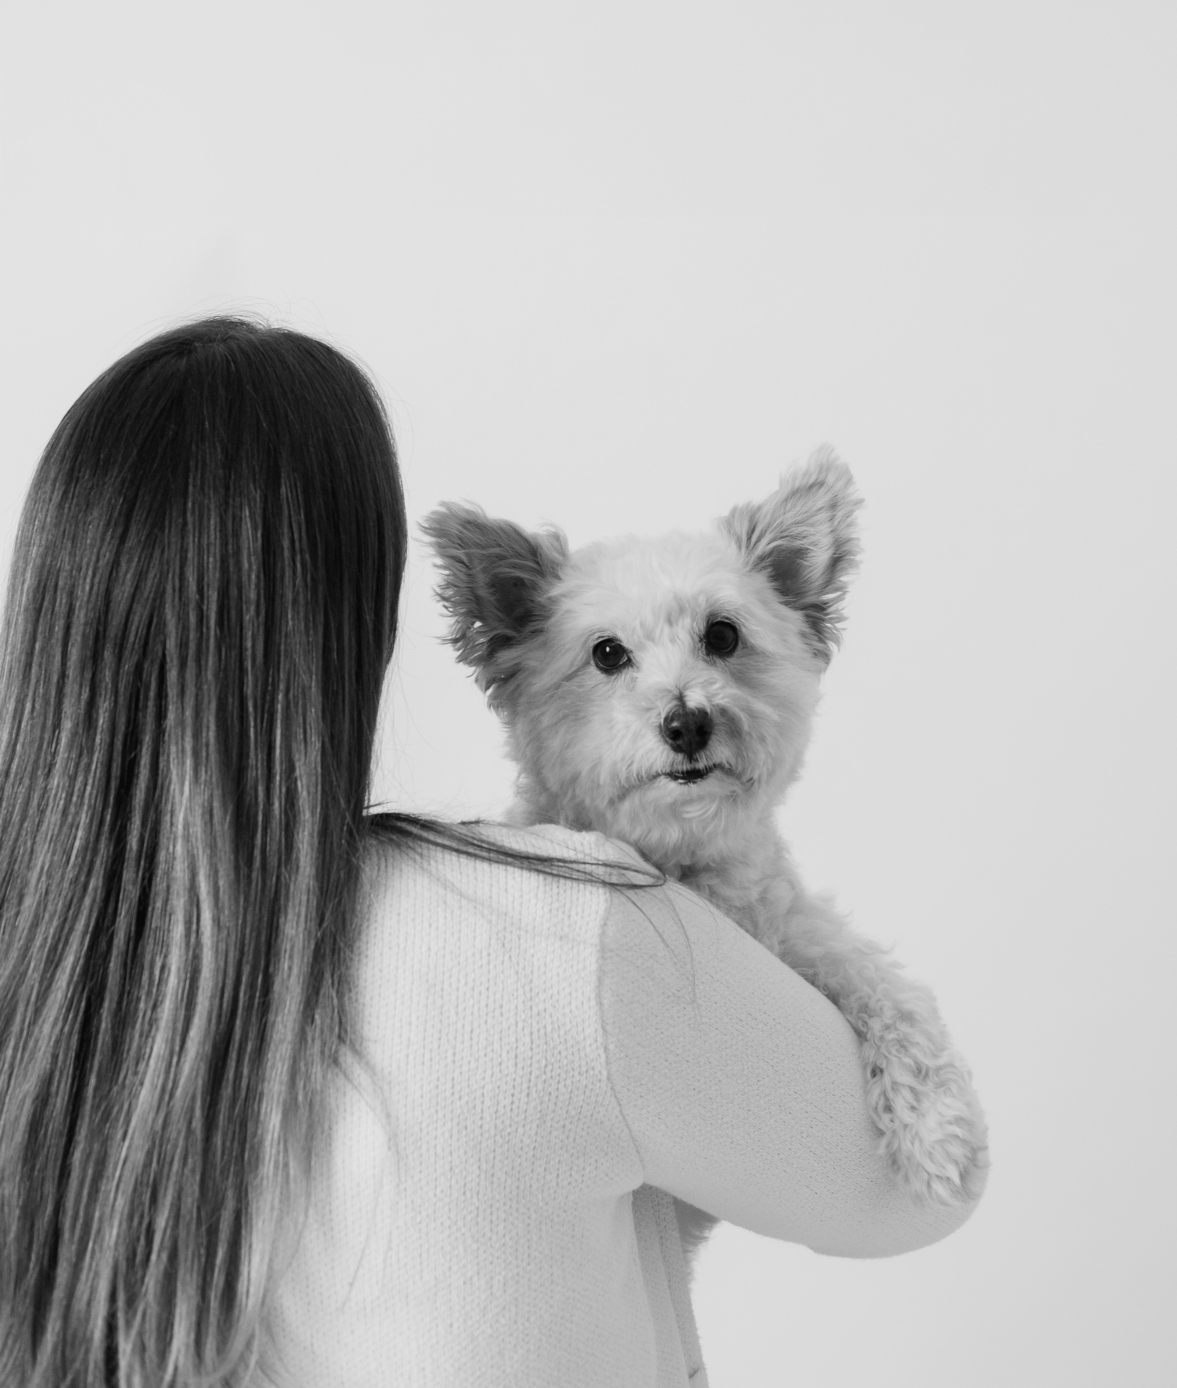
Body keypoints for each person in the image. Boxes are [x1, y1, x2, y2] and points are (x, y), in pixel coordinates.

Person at [0, 317, 985, 1388]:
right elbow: (907, 1192)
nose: (684, 704)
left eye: (718, 641)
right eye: (608, 657)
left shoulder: (45, 1002)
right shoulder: (577, 936)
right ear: (359, 625)